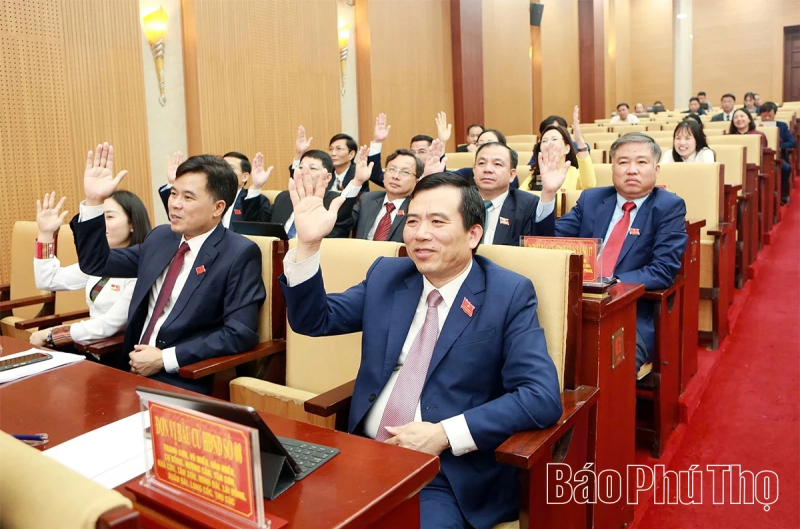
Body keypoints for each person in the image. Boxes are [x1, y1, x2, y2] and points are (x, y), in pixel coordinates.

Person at [280, 169, 562, 529]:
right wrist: (307, 246)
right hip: (362, 453)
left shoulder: (507, 293)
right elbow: (314, 320)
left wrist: (443, 434)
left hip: (443, 473)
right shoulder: (388, 276)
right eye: (412, 221)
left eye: (437, 222)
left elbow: (540, 396)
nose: (420, 234)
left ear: (473, 234)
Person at [70, 143, 266, 394]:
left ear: (218, 207)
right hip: (127, 367)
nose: (175, 204)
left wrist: (165, 358)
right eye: (174, 194)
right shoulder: (161, 238)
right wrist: (94, 202)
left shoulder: (238, 253)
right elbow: (96, 263)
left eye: (188, 197)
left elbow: (240, 333)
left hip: (183, 377)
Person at [541, 133, 688, 372]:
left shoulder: (668, 207)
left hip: (628, 312)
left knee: (600, 367)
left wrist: (608, 283)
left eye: (641, 162)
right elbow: (547, 242)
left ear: (656, 169)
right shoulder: (591, 199)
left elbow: (662, 270)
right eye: (623, 162)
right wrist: (548, 195)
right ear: (612, 168)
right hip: (572, 305)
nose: (632, 170)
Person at [30, 190, 151, 354]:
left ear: (132, 224)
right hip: (89, 344)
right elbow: (48, 280)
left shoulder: (139, 268)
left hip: (115, 352)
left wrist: (54, 334)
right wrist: (45, 234)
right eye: (100, 217)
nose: (101, 224)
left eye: (109, 217)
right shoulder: (99, 263)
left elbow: (109, 325)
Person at [159, 151, 272, 227]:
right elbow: (180, 216)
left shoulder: (256, 200)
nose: (225, 172)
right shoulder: (206, 194)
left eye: (230, 168)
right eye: (222, 167)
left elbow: (255, 229)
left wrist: (256, 187)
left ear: (245, 176)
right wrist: (175, 182)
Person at [473, 142, 555, 245]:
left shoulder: (527, 205)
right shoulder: (459, 199)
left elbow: (540, 244)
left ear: (511, 175)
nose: (487, 169)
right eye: (481, 163)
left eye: (497, 164)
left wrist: (548, 193)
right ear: (474, 171)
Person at [271, 149, 358, 239]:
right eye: (301, 167)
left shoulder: (335, 202)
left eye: (313, 168)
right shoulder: (283, 197)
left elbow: (336, 238)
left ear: (327, 177)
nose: (304, 172)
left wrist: (357, 182)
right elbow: (264, 229)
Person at [347, 149, 422, 241]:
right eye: (392, 169)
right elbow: (342, 223)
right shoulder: (368, 199)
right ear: (384, 175)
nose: (395, 176)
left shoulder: (417, 208)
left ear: (416, 181)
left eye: (405, 172)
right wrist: (357, 182)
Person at [524, 107, 596, 191]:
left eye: (554, 139)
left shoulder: (575, 174)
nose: (549, 144)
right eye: (544, 141)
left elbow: (589, 186)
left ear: (567, 148)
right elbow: (520, 196)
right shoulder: (535, 175)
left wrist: (580, 141)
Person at [292, 127, 379, 195]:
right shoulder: (326, 171)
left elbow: (357, 204)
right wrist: (299, 153)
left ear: (351, 154)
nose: (333, 153)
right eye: (330, 149)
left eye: (339, 149)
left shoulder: (358, 174)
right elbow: (299, 179)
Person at [760, 101, 797, 204]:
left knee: (786, 168)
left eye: (770, 116)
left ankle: (782, 194)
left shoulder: (782, 126)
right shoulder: (756, 125)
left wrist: (780, 147)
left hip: (777, 157)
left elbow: (792, 142)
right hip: (760, 158)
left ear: (774, 115)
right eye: (764, 116)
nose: (767, 118)